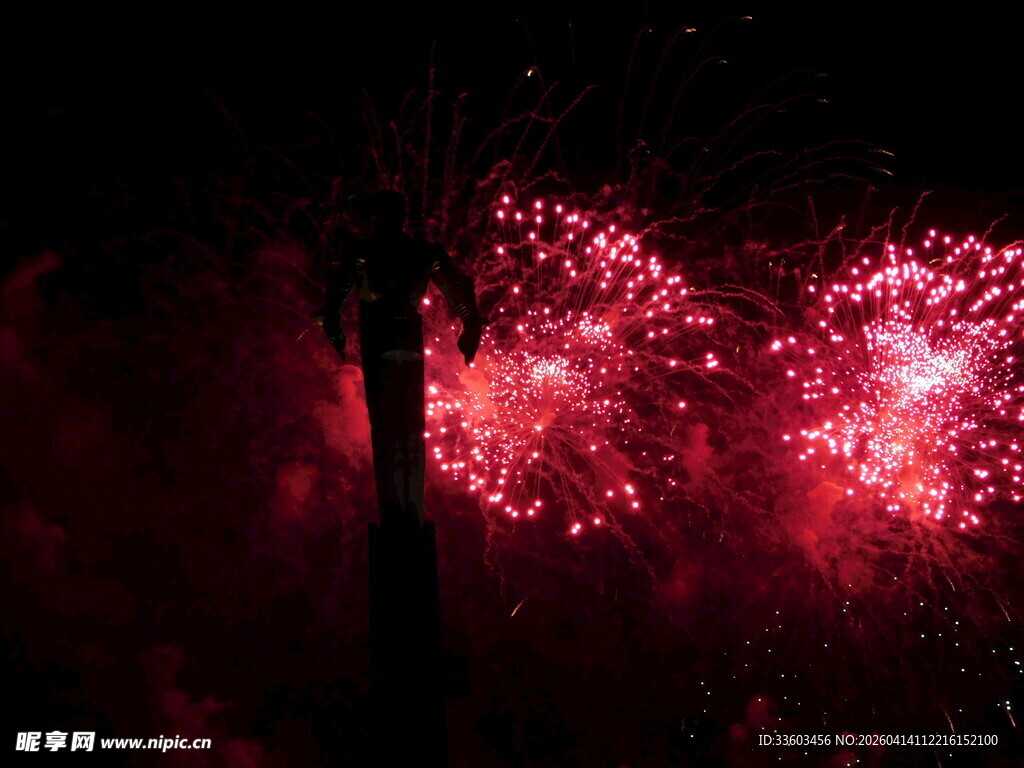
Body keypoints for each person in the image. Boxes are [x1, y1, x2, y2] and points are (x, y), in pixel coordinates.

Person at [321, 191, 484, 528]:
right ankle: (410, 510)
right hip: (408, 344)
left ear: (376, 218)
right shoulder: (423, 253)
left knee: (386, 431)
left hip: (379, 343)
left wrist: (331, 327)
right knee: (411, 431)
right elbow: (461, 292)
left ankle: (396, 514)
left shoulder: (363, 252)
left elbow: (336, 296)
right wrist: (470, 328)